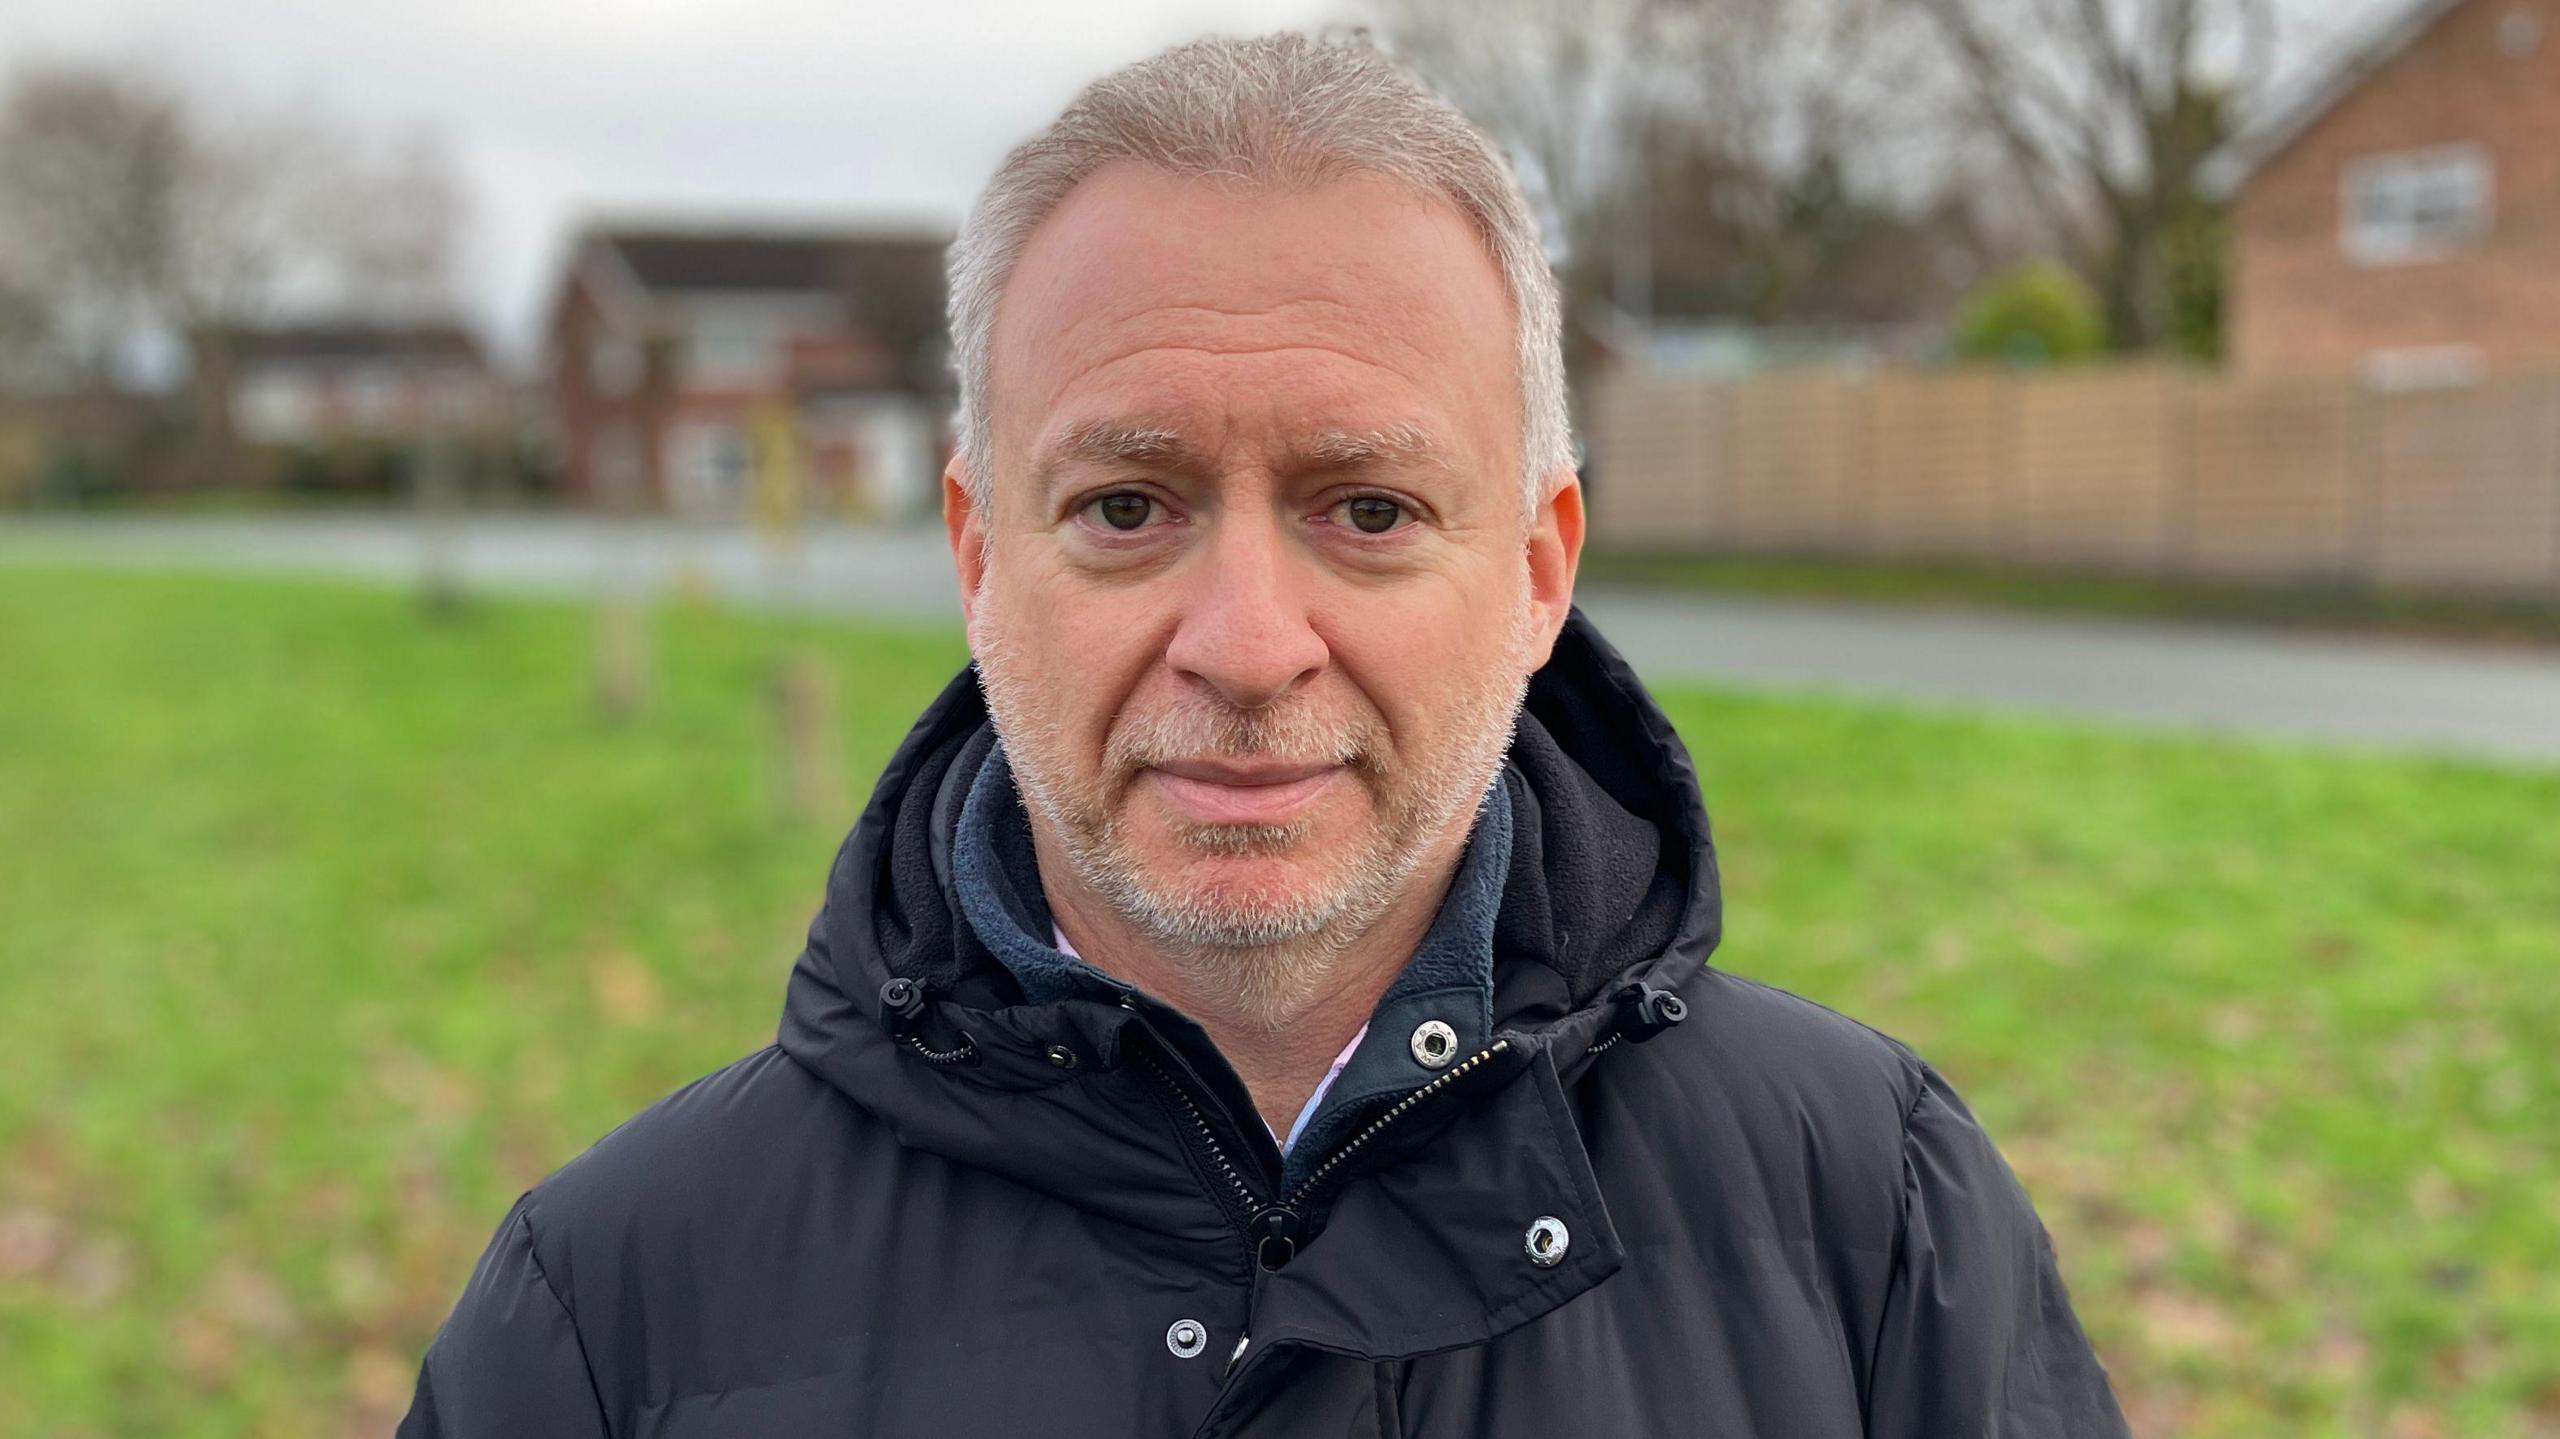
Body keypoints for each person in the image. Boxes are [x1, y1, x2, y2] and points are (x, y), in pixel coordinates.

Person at [400, 32, 2130, 1437]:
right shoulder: (605, 1317)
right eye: (1130, 504)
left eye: (1368, 508)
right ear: (979, 555)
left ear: (1538, 572)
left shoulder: (1874, 1218)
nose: (1245, 644)